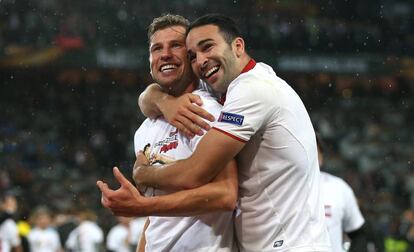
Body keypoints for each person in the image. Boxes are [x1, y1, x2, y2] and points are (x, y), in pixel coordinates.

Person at [100, 14, 330, 252]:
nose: (201, 60)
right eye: (193, 54)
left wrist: (143, 175)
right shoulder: (150, 125)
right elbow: (158, 222)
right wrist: (159, 99)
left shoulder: (238, 96)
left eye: (206, 47)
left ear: (238, 46)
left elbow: (206, 180)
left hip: (291, 244)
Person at [97, 14, 238, 252]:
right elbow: (154, 220)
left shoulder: (207, 111)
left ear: (192, 56)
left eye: (176, 46)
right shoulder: (145, 129)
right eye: (157, 48)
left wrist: (142, 202)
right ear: (150, 60)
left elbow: (225, 195)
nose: (165, 54)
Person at [316, 134, 366, 251]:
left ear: (322, 157)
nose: (310, 156)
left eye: (315, 151)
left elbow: (358, 233)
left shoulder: (338, 187)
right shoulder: (281, 187)